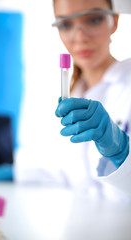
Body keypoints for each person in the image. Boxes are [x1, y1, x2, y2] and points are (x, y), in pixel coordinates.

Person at [53, 0, 131, 195]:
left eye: (94, 20)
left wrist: (122, 151)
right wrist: (17, 171)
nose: (80, 37)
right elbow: (62, 172)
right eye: (65, 24)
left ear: (114, 21)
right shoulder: (72, 94)